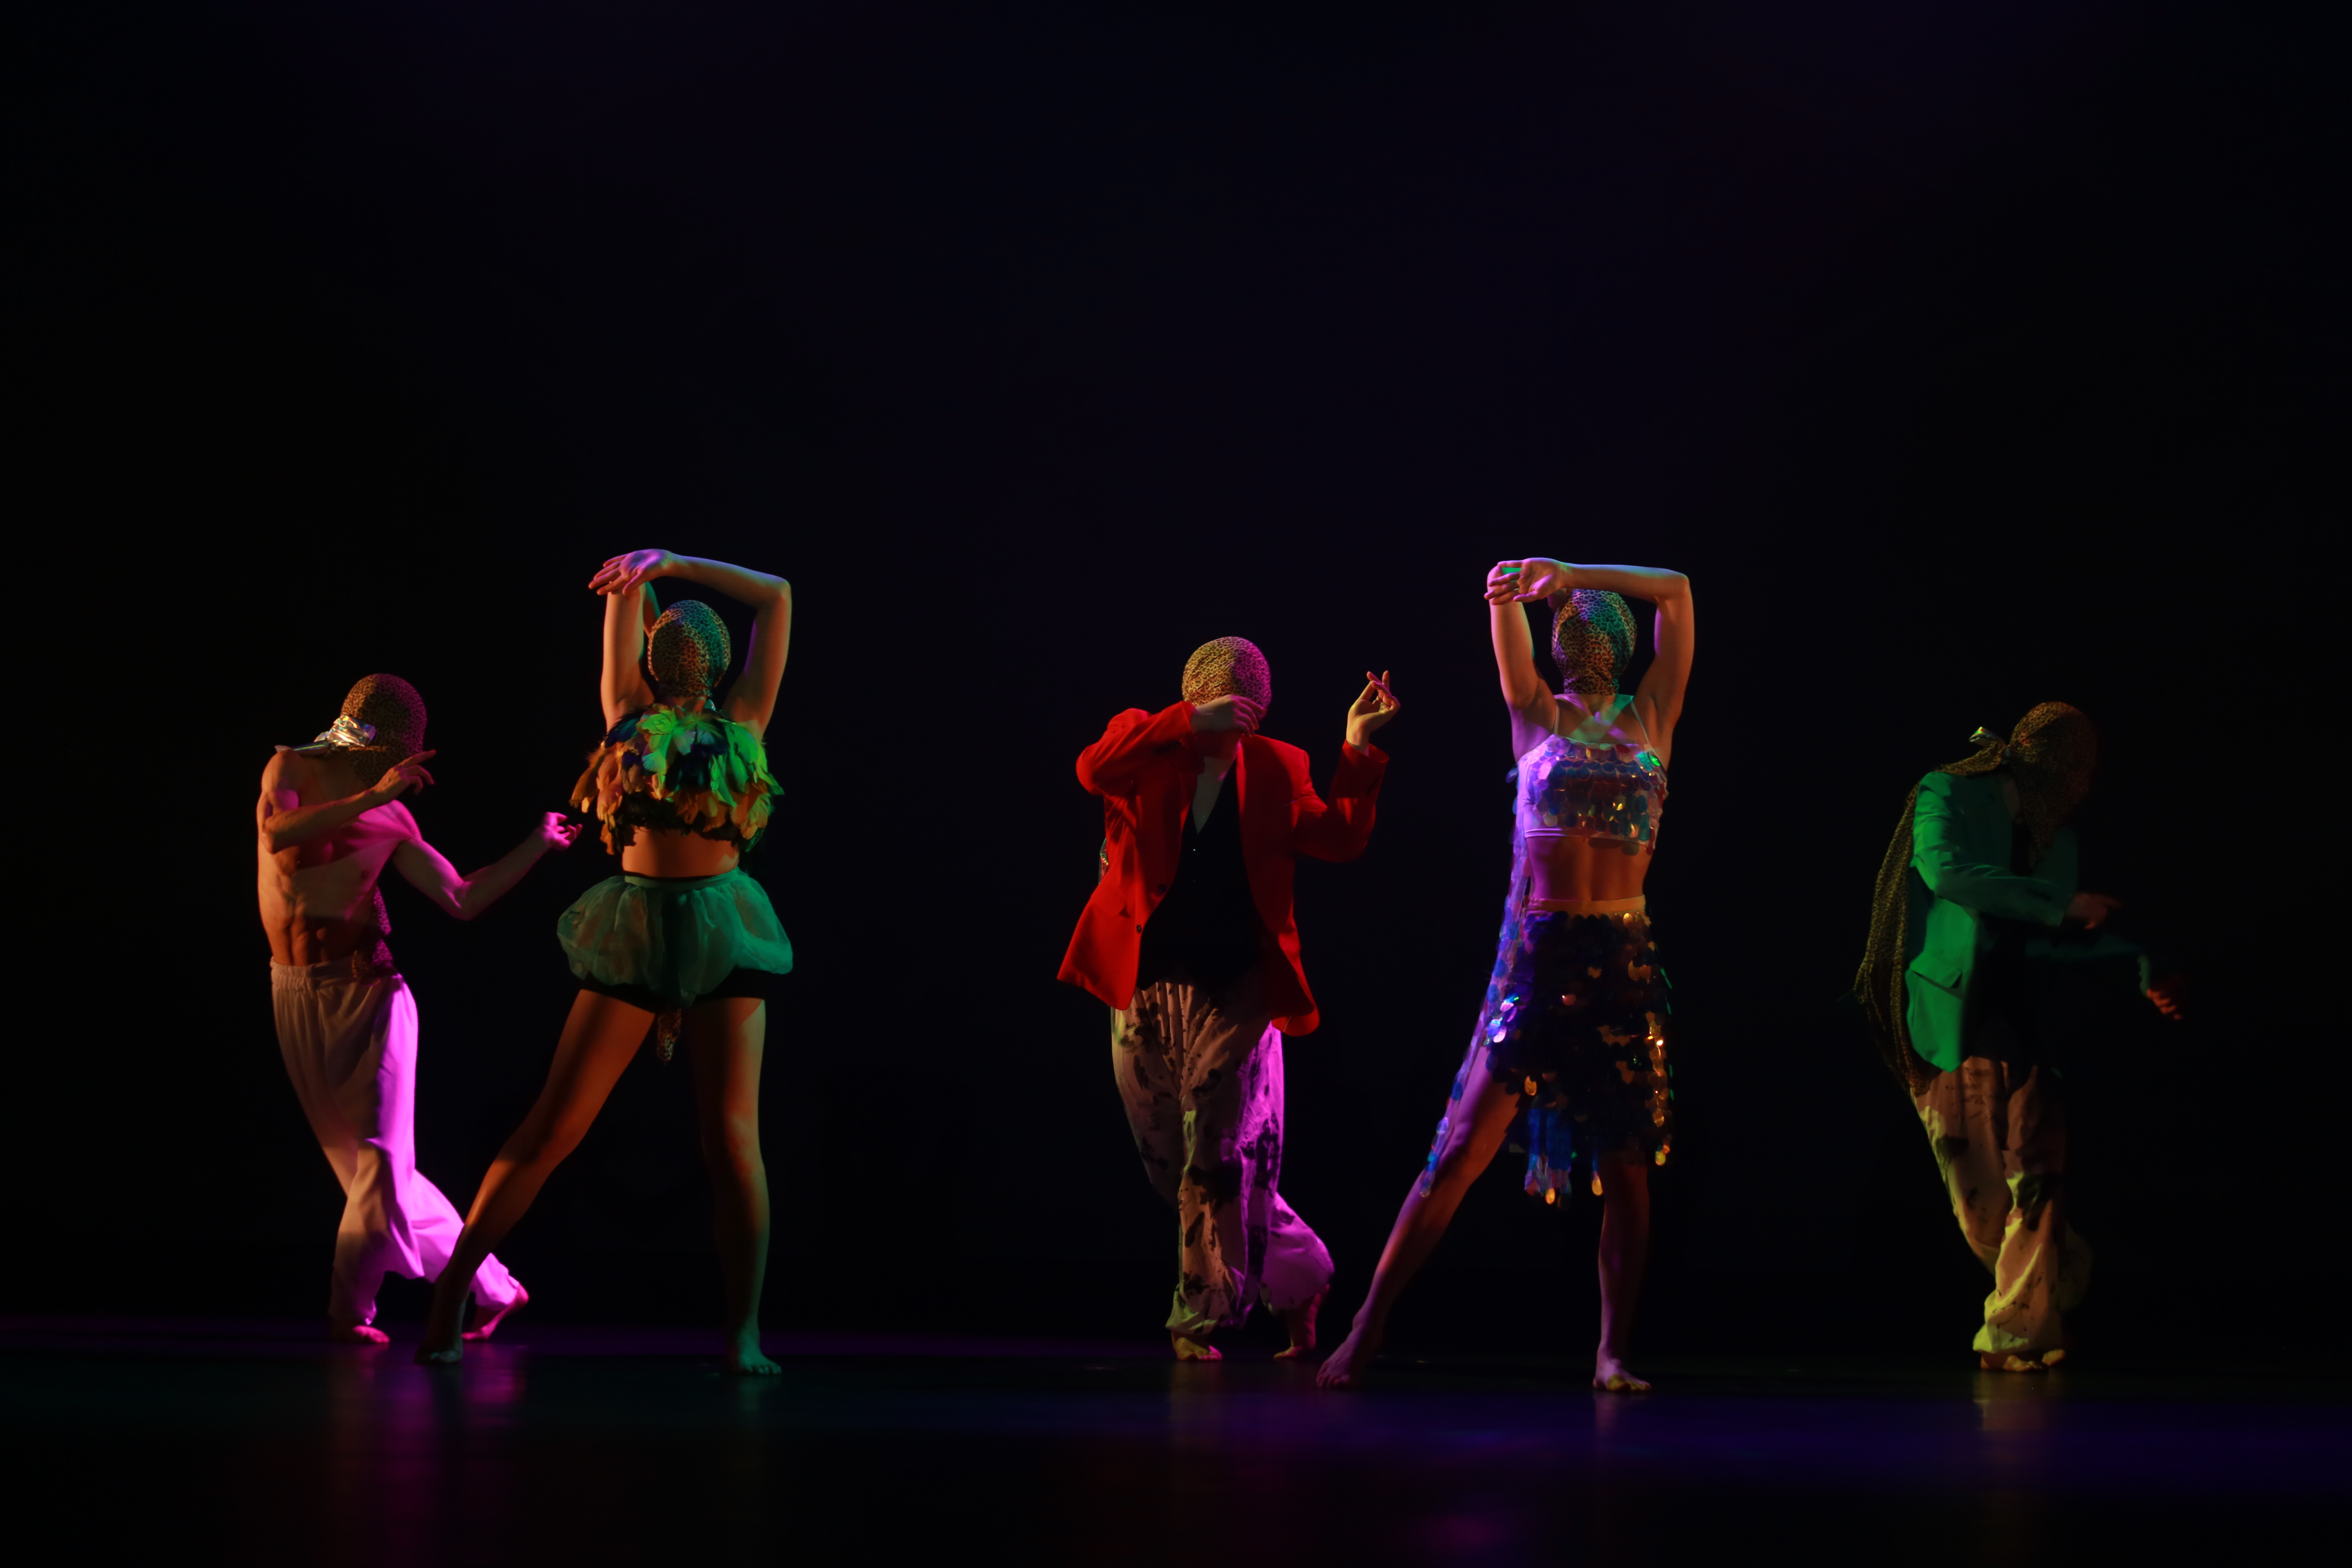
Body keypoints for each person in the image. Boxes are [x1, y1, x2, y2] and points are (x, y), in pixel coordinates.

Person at [1319, 558, 1693, 1393]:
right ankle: (1368, 1324)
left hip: (1622, 962)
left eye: (1597, 628)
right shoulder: (1536, 715)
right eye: (1571, 627)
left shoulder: (1652, 714)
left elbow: (1676, 589)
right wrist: (1519, 590)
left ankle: (1612, 1351)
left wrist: (1571, 573)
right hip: (1542, 957)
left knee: (1627, 1168)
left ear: (1625, 643)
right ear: (1556, 644)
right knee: (1460, 1149)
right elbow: (1499, 597)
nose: (1585, 640)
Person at [419, 551, 794, 1372]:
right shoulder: (640, 712)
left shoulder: (730, 718)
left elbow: (775, 595)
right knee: (556, 1126)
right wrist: (653, 571)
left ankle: (744, 1330)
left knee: (733, 1141)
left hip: (722, 931)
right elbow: (758, 596)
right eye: (671, 645)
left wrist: (663, 567)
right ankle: (453, 1290)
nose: (680, 658)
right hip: (638, 926)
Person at [1063, 637, 1400, 1360]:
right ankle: (1300, 1277)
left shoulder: (1278, 765)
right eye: (1217, 694)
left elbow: (1339, 839)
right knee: (1168, 1158)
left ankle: (1198, 1314)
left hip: (1237, 988)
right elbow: (1093, 771)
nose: (1231, 705)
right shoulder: (1145, 742)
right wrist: (1185, 721)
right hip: (1147, 985)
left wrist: (1356, 746)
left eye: (1242, 695)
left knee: (1213, 1155)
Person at [1855, 703, 2184, 1372]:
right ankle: (2058, 1275)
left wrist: (2138, 967)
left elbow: (2052, 943)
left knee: (2038, 1178)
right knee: (1980, 1204)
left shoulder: (2059, 840)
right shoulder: (1947, 792)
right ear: (2041, 760)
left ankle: (2015, 1336)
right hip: (1954, 1016)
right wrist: (2059, 905)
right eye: (2071, 770)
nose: (2080, 788)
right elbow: (1945, 872)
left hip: (2030, 1025)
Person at [258, 674, 579, 1344]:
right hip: (295, 993)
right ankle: (496, 1286)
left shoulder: (395, 819)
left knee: (379, 1161)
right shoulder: (291, 768)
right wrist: (373, 796)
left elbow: (461, 898)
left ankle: (349, 1310)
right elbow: (277, 834)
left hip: (371, 996)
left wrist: (538, 844)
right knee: (374, 1177)